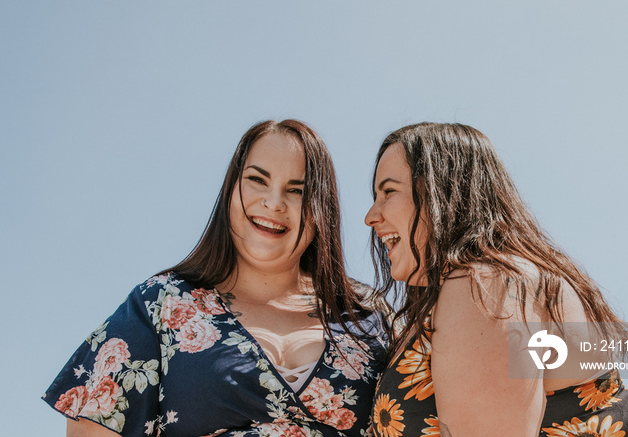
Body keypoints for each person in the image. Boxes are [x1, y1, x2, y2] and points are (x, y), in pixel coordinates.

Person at [43, 119, 390, 437]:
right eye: (257, 180)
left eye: (297, 190)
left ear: (321, 209)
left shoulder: (370, 315)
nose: (274, 202)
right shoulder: (160, 303)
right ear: (230, 191)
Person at [364, 123, 628, 437]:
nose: (371, 216)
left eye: (388, 192)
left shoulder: (483, 285)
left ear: (441, 191)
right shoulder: (482, 285)